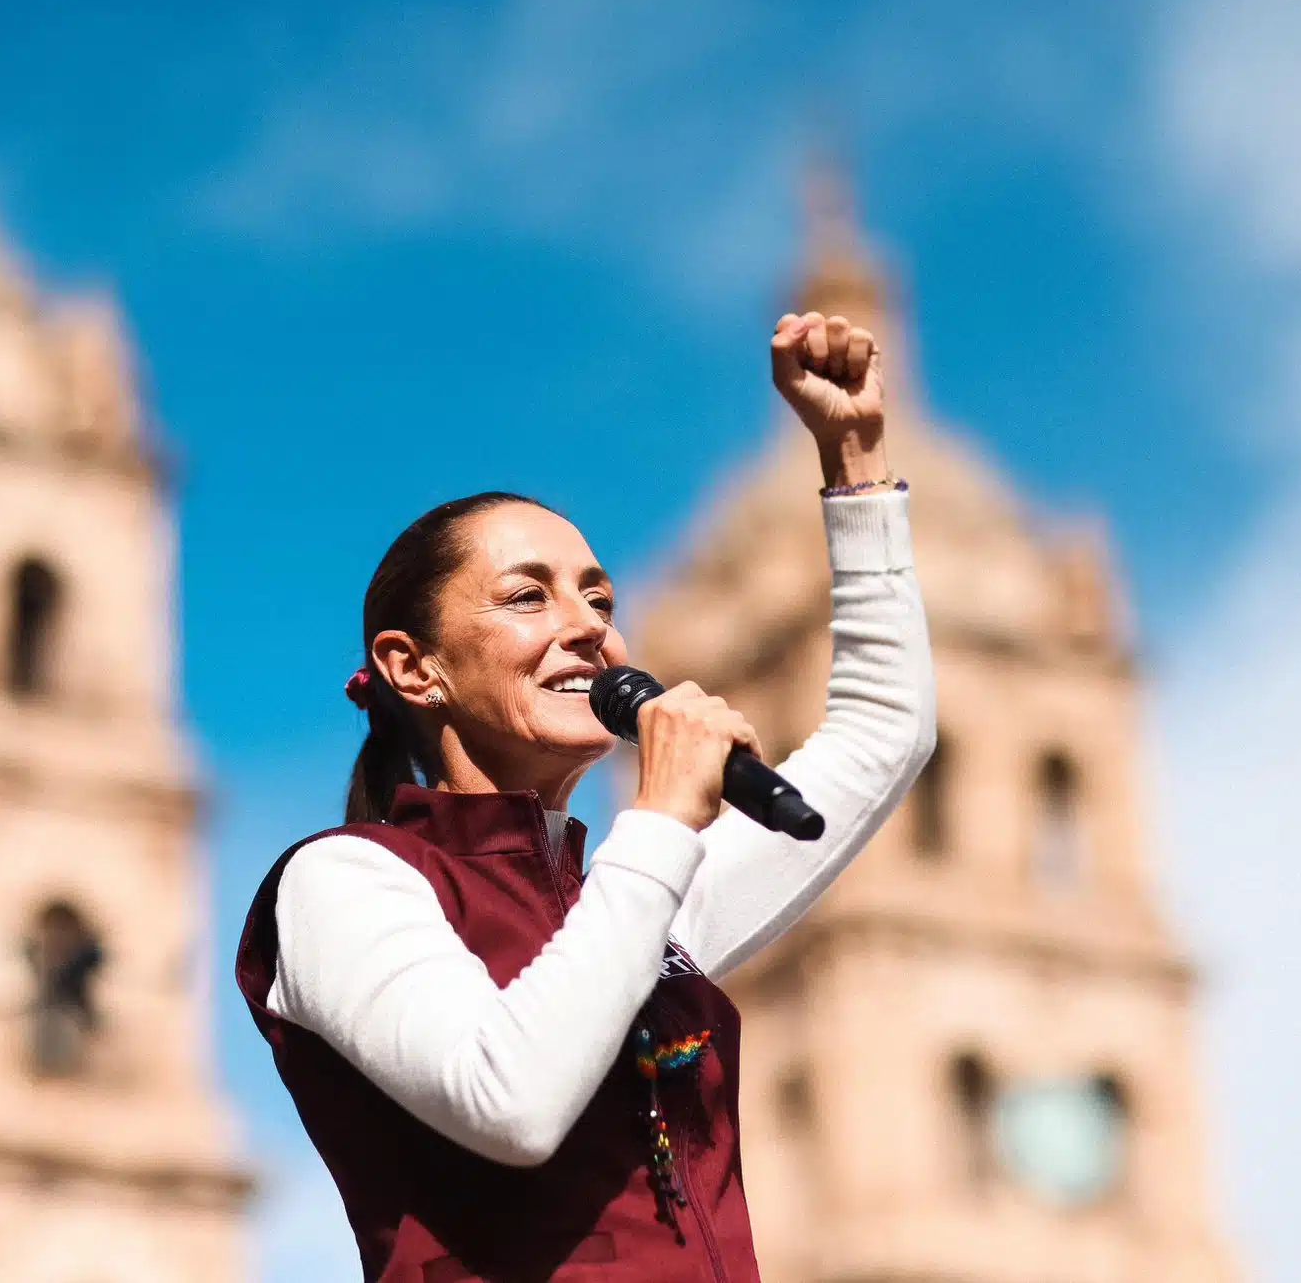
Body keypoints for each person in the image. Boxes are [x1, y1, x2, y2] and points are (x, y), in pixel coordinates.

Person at [236, 312, 936, 1283]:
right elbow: (508, 1101)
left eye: (600, 601)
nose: (590, 631)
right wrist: (656, 820)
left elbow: (879, 731)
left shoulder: (635, 902)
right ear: (413, 667)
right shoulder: (340, 882)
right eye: (530, 598)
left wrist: (853, 463)